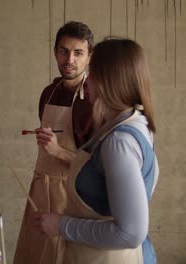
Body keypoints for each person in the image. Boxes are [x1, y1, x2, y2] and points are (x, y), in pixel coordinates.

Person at [36, 38, 159, 264]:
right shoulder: (136, 122)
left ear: (106, 81)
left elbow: (131, 233)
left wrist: (61, 225)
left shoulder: (119, 142)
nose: (88, 80)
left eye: (92, 73)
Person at [13, 21, 94, 264]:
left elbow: (96, 164)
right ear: (55, 52)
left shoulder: (93, 99)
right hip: (40, 188)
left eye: (78, 53)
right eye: (63, 51)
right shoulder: (48, 91)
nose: (69, 59)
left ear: (90, 56)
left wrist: (58, 151)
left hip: (73, 196)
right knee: (33, 254)